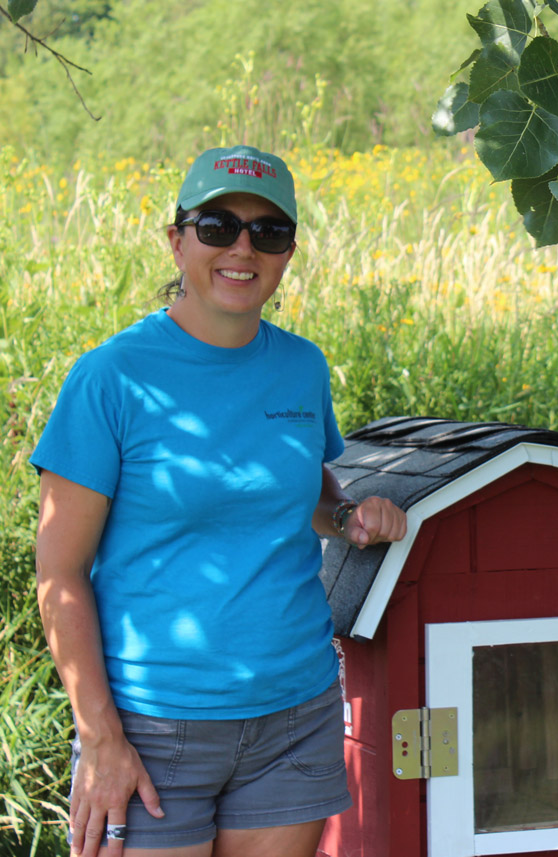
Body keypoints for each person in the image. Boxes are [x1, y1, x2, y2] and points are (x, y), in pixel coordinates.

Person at [33, 144, 407, 857]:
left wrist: (346, 517)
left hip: (294, 713)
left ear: (288, 252)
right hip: (151, 724)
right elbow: (59, 571)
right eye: (218, 226)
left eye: (267, 231)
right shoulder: (111, 379)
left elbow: (300, 488)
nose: (242, 248)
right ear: (177, 241)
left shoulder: (302, 366)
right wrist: (101, 736)